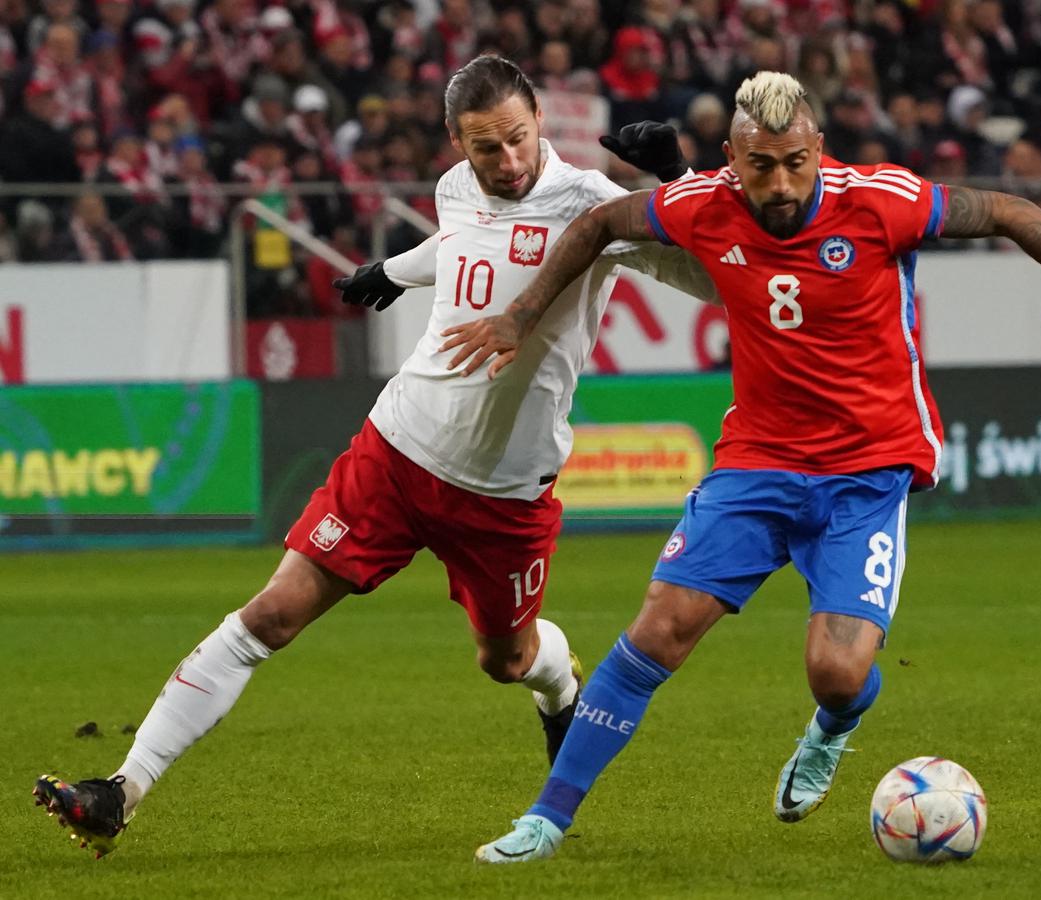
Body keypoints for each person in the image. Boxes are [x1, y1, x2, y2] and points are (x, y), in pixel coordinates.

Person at [442, 70, 1041, 864]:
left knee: (834, 672)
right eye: (760, 165)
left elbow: (1011, 211)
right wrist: (519, 315)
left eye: (795, 161)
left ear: (818, 149)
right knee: (659, 631)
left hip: (869, 470)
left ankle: (831, 729)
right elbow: (597, 225)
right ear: (730, 158)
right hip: (757, 464)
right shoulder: (701, 205)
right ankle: (545, 820)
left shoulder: (881, 201)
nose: (781, 182)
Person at [32, 55, 716, 860]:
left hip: (504, 493)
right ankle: (121, 788)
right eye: (485, 148)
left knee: (508, 658)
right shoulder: (457, 189)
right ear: (456, 142)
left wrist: (681, 180)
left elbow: (712, 278)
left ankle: (559, 689)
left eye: (518, 140)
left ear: (539, 120)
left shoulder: (596, 206)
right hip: (395, 449)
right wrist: (390, 272)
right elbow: (459, 240)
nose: (508, 163)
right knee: (270, 615)